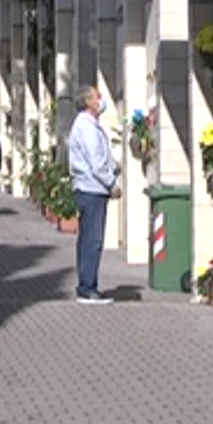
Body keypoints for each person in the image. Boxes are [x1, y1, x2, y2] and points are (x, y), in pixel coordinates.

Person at [67, 85, 121, 304]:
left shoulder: (88, 125)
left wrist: (114, 166)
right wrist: (111, 183)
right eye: (98, 97)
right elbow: (96, 161)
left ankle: (86, 285)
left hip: (88, 187)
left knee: (87, 239)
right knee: (93, 240)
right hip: (92, 189)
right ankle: (88, 288)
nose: (102, 100)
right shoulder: (86, 127)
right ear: (89, 102)